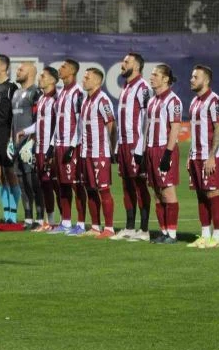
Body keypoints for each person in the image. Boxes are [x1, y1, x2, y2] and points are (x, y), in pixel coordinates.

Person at [111, 52, 152, 242]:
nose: (122, 64)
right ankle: (129, 227)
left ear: (136, 66)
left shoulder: (143, 88)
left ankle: (144, 229)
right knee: (127, 186)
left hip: (136, 144)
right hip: (123, 144)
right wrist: (117, 147)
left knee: (139, 185)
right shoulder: (126, 88)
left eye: (126, 62)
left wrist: (141, 147)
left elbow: (146, 119)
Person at [186, 65, 219, 249]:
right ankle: (205, 235)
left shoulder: (214, 101)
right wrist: (190, 155)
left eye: (196, 77)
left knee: (212, 193)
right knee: (200, 195)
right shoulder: (194, 102)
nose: (192, 80)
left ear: (206, 80)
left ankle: (217, 237)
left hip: (210, 156)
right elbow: (194, 133)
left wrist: (211, 156)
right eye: (192, 77)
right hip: (196, 155)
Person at [48, 59, 88, 235]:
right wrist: (51, 145)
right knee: (62, 184)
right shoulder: (61, 92)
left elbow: (80, 122)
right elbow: (58, 122)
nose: (60, 69)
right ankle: (65, 222)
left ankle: (81, 224)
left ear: (72, 71)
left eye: (63, 67)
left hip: (72, 146)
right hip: (59, 145)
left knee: (76, 184)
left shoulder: (78, 92)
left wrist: (72, 147)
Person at [145, 64, 183, 244]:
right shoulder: (152, 101)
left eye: (155, 75)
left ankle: (172, 234)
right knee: (157, 193)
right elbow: (147, 127)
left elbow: (175, 128)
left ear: (166, 79)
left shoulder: (173, 101)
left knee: (168, 192)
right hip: (151, 149)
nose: (151, 78)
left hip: (164, 149)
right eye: (151, 75)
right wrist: (144, 151)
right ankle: (164, 231)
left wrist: (168, 153)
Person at [78, 68, 117, 238]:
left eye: (87, 77)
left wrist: (113, 149)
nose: (84, 80)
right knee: (90, 190)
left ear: (97, 81)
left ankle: (109, 228)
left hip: (99, 152)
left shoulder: (103, 100)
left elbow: (111, 125)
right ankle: (95, 226)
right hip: (86, 153)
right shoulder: (86, 101)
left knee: (103, 190)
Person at [20, 66, 58, 231]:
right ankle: (50, 222)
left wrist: (53, 147)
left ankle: (65, 222)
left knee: (58, 186)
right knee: (44, 186)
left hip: (52, 149)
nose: (39, 78)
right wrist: (25, 131)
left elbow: (59, 125)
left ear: (52, 80)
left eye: (43, 76)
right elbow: (39, 123)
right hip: (40, 149)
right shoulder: (42, 98)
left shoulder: (57, 99)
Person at [11, 62, 44, 229]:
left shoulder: (36, 93)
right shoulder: (16, 93)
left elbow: (39, 120)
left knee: (32, 181)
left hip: (30, 145)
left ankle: (40, 218)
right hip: (17, 144)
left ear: (31, 72)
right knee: (21, 182)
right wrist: (10, 141)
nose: (17, 72)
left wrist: (32, 141)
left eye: (21, 69)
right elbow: (13, 120)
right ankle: (28, 218)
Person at [0, 54, 20, 223]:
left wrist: (11, 138)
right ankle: (6, 214)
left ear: (3, 67)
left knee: (10, 174)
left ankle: (13, 215)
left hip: (6, 137)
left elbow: (15, 116)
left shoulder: (11, 88)